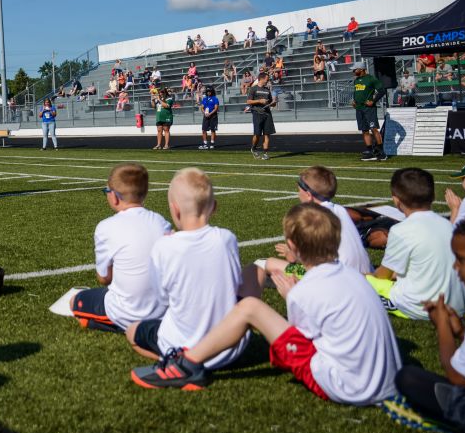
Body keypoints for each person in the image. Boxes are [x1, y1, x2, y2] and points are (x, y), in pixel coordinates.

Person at [132, 203, 401, 402]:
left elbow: (297, 349)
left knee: (250, 308)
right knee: (257, 290)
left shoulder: (305, 292)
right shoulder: (353, 277)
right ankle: (194, 356)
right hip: (386, 381)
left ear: (292, 245)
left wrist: (288, 300)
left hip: (347, 388)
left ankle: (186, 364)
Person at [384, 211, 465, 433]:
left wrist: (443, 328)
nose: (455, 267)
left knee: (408, 379)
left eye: (462, 260)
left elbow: (459, 377)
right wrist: (461, 332)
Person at [125, 169, 247, 368]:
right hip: (229, 348)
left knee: (132, 331)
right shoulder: (227, 238)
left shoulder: (164, 247)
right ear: (214, 207)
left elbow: (162, 299)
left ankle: (179, 362)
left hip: (182, 344)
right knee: (253, 273)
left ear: (175, 209)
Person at [70, 163, 170, 333]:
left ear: (114, 197)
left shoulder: (105, 227)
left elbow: (104, 278)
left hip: (126, 310)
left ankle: (113, 325)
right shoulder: (162, 222)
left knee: (74, 301)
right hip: (163, 310)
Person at [366, 168, 465, 321]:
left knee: (359, 282)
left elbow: (383, 275)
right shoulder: (448, 225)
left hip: (422, 308)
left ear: (396, 201)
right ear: (433, 196)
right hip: (458, 305)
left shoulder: (400, 230)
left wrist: (368, 275)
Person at [253, 166, 372, 281]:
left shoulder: (315, 218)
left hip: (338, 278)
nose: (298, 194)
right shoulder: (340, 209)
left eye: (299, 190)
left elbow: (315, 263)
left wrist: (293, 256)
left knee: (266, 263)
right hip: (366, 275)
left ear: (308, 195)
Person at [350, 61, 388, 161]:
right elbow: (356, 92)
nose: (353, 71)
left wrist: (373, 101)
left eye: (355, 69)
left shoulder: (371, 79)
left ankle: (381, 152)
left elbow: (382, 91)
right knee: (364, 130)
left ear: (361, 69)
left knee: (374, 129)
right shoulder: (356, 80)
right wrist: (354, 101)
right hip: (359, 108)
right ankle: (370, 152)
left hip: (369, 109)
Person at [247, 71, 276, 160]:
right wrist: (259, 101)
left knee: (267, 134)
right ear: (262, 79)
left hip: (267, 113)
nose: (268, 81)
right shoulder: (253, 89)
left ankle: (265, 153)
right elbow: (248, 101)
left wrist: (273, 103)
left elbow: (271, 103)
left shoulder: (267, 90)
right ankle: (254, 148)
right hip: (257, 113)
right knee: (257, 134)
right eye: (267, 79)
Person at [198, 85, 220, 150]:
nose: (208, 93)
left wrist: (210, 113)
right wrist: (204, 112)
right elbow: (202, 107)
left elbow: (216, 108)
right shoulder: (205, 99)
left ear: (212, 92)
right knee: (204, 130)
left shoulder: (215, 98)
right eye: (207, 91)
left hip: (213, 116)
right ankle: (205, 144)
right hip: (206, 116)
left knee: (213, 130)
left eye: (210, 91)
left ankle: (212, 143)